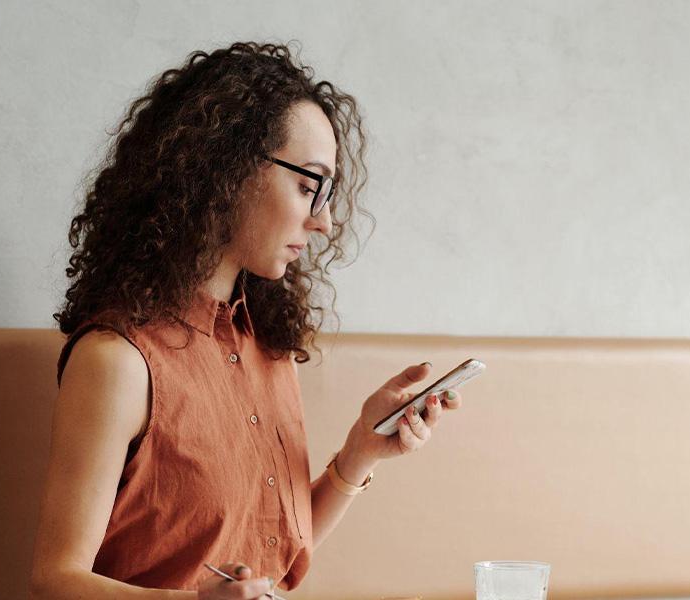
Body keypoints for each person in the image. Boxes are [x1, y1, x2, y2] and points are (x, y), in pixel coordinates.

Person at [28, 41, 464, 600]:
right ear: (225, 168)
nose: (325, 221)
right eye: (310, 186)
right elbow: (53, 582)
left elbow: (271, 565)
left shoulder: (267, 347)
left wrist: (359, 451)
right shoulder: (119, 361)